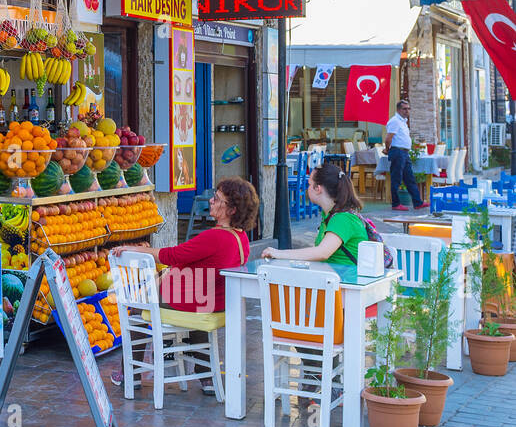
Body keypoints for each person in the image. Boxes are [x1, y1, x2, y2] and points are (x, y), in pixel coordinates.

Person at [109, 177, 256, 390]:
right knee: (192, 300)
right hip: (214, 303)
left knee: (137, 309)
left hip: (194, 303)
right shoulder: (240, 237)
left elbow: (171, 255)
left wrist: (135, 248)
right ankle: (205, 376)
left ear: (231, 210)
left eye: (217, 199)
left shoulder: (213, 237)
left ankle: (131, 375)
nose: (211, 201)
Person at [261, 161, 368, 265]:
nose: (308, 189)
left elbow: (322, 253)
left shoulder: (343, 218)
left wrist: (278, 253)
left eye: (309, 184)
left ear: (318, 188)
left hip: (347, 280)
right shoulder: (329, 215)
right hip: (334, 278)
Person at [385, 99, 427, 211]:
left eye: (408, 109)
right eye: (404, 109)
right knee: (396, 178)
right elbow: (388, 138)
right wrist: (387, 149)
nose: (407, 111)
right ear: (398, 110)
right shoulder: (395, 121)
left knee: (410, 178)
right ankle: (395, 204)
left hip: (404, 152)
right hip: (398, 152)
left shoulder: (403, 121)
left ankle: (417, 202)